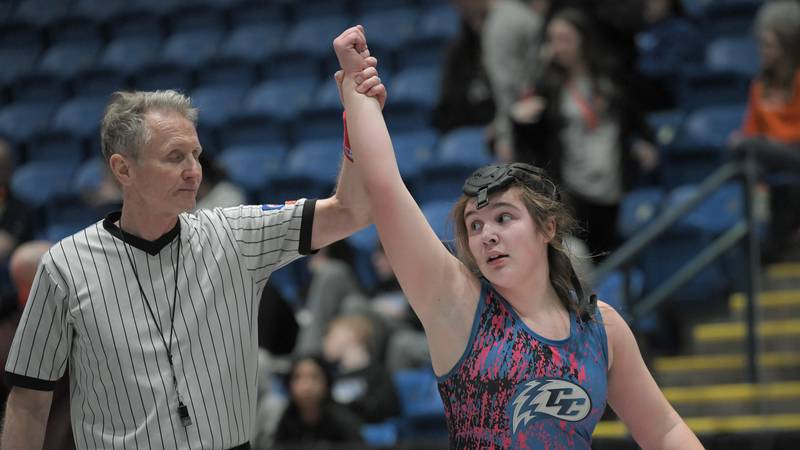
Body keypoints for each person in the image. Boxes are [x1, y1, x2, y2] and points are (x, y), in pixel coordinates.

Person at [334, 26, 703, 448]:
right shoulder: (457, 303)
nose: (487, 235)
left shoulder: (602, 328)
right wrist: (358, 95)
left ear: (548, 228)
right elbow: (384, 188)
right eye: (475, 226)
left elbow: (664, 429)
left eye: (504, 218)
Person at [2, 52, 386, 449]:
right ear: (123, 169)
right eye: (174, 157)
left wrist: (357, 118)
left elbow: (352, 211)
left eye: (195, 155)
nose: (194, 170)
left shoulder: (236, 234)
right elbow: (29, 400)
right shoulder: (64, 266)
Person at [511, 8, 659, 260]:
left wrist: (643, 142)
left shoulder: (610, 78)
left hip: (611, 179)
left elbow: (633, 117)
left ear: (583, 39)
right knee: (581, 256)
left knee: (611, 254)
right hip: (572, 186)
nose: (557, 47)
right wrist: (521, 120)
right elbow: (533, 142)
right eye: (552, 39)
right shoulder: (549, 85)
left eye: (564, 38)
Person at [731, 0, 800, 263]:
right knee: (745, 154)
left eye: (770, 45)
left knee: (755, 149)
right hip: (771, 160)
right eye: (762, 44)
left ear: (789, 46)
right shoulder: (759, 85)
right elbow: (751, 131)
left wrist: (767, 142)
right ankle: (764, 239)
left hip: (795, 153)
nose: (763, 51)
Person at [272, 354, 363, 448]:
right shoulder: (286, 419)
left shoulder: (343, 420)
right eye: (298, 378)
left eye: (314, 377)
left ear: (326, 383)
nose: (306, 386)